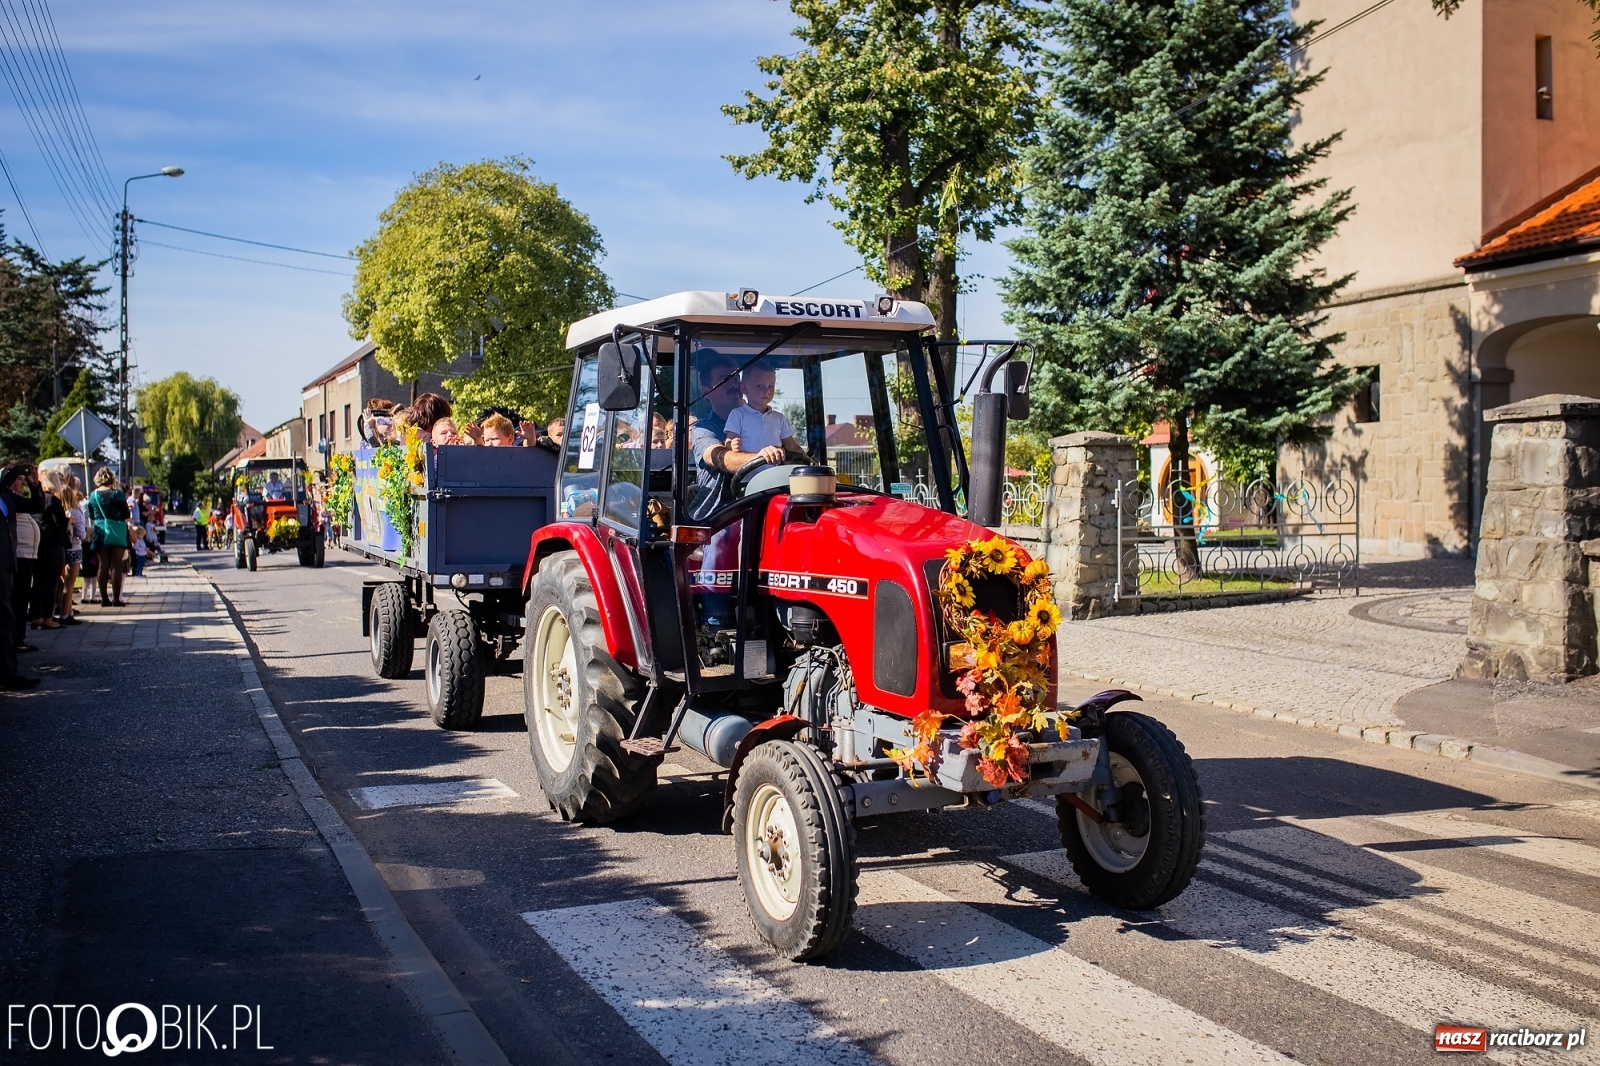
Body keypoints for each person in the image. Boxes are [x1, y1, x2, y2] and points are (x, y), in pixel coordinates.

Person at [0, 464, 44, 689]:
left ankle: (8, 673)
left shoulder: (6, 496)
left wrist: (35, 484)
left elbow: (36, 506)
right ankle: (8, 674)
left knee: (7, 619)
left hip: (6, 565)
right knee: (6, 619)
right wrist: (12, 472)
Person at [724, 359, 803, 459]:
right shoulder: (738, 415)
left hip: (776, 472)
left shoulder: (779, 418)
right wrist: (732, 445)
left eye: (771, 386)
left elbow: (792, 447)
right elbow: (729, 441)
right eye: (759, 386)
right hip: (749, 472)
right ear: (744, 389)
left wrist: (809, 461)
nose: (766, 390)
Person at [87, 467, 130, 607]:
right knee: (116, 565)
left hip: (100, 531)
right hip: (116, 531)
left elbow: (91, 515)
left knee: (103, 565)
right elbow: (126, 513)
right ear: (111, 478)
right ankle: (116, 599)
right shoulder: (117, 494)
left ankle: (104, 599)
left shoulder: (93, 495)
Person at [29, 470, 67, 631]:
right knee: (51, 581)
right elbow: (61, 524)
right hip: (53, 544)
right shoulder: (53, 500)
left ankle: (36, 616)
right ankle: (47, 617)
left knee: (37, 582)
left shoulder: (35, 500)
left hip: (37, 544)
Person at [59, 476, 85, 625]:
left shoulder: (60, 511)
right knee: (70, 583)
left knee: (63, 582)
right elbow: (81, 534)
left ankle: (67, 611)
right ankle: (65, 614)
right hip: (74, 548)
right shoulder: (76, 513)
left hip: (62, 548)